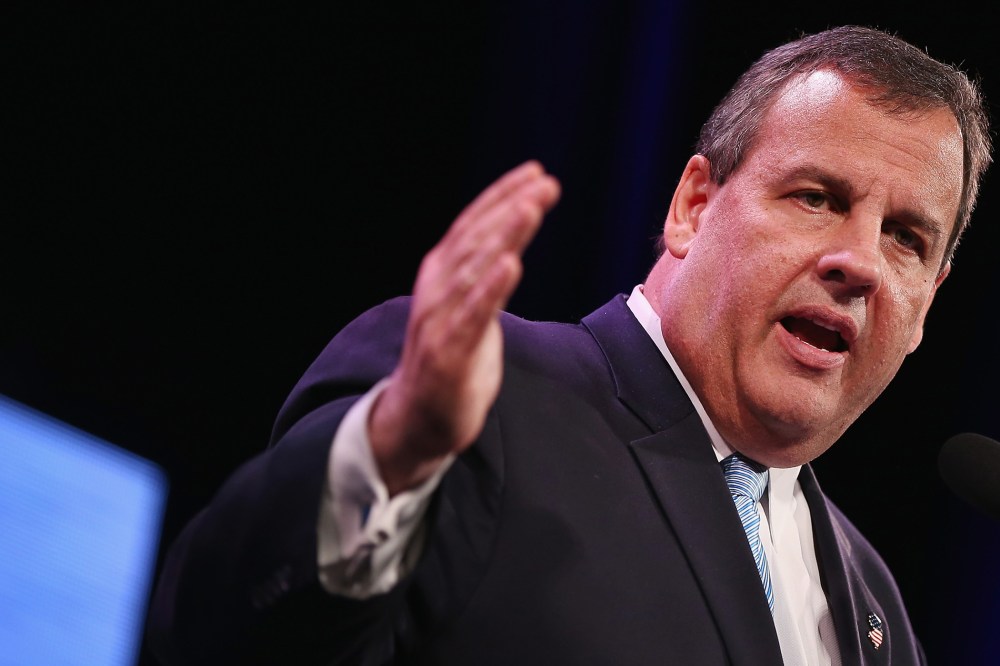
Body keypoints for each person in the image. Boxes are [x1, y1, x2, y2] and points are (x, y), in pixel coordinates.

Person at [147, 25, 991, 665]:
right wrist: (395, 449)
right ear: (694, 206)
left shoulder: (872, 597)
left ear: (926, 308)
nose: (859, 262)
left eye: (907, 239)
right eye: (817, 197)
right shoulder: (471, 396)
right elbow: (218, 630)